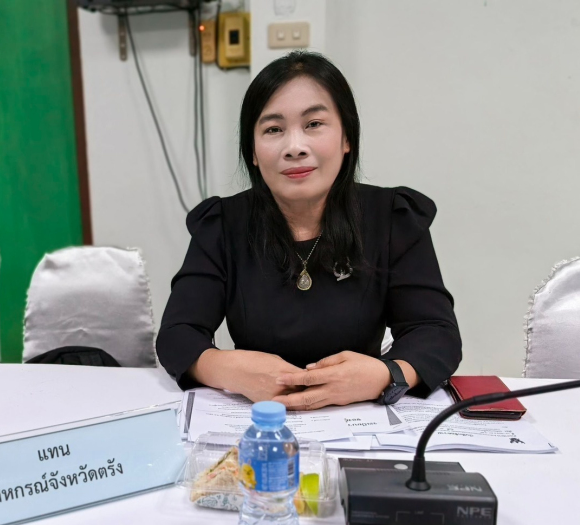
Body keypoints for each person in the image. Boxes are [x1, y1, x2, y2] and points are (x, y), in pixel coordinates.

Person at [155, 51, 461, 410]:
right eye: (273, 129)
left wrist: (384, 375)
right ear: (252, 152)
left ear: (346, 138)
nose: (295, 148)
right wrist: (227, 369)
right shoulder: (222, 224)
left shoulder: (393, 217)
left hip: (361, 414)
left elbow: (435, 333)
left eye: (314, 124)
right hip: (257, 416)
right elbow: (177, 335)